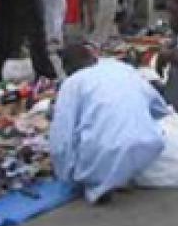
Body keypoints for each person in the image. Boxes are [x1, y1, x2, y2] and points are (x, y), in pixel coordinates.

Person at [50, 43, 169, 204]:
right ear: (93, 57)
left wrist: (64, 173)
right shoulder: (121, 68)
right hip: (149, 142)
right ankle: (123, 174)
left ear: (67, 68)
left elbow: (62, 136)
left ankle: (100, 184)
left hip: (106, 150)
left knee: (93, 150)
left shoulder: (72, 83)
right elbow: (159, 108)